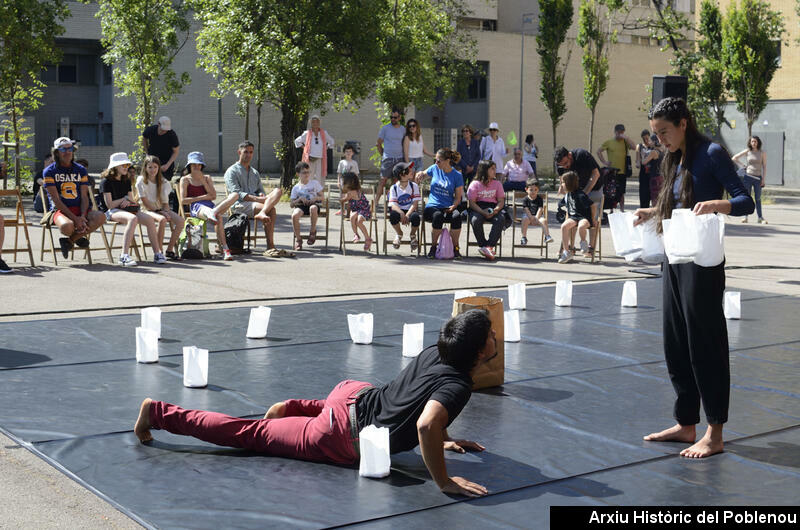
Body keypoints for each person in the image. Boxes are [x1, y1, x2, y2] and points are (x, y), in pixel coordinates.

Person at [134, 309, 496, 498]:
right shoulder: (460, 383)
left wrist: (443, 439)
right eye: (491, 335)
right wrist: (444, 481)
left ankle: (293, 408)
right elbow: (424, 423)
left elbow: (425, 403)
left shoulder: (438, 348)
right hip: (340, 435)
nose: (496, 337)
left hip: (351, 393)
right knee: (247, 433)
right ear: (479, 351)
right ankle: (159, 413)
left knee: (335, 407)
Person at [634, 97, 754, 459]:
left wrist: (719, 205)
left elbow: (744, 200)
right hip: (674, 256)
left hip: (702, 262)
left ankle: (714, 431)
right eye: (656, 135)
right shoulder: (674, 157)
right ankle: (686, 423)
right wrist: (651, 211)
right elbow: (676, 204)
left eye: (664, 132)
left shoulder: (712, 153)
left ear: (683, 123)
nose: (660, 141)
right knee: (676, 341)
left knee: (705, 343)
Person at [42, 137, 105, 259]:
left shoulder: (80, 169)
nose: (67, 152)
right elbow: (56, 200)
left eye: (70, 148)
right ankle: (77, 238)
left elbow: (84, 197)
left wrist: (81, 216)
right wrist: (76, 220)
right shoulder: (49, 172)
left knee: (100, 216)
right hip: (60, 210)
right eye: (63, 149)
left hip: (80, 208)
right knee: (67, 227)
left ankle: (70, 240)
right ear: (56, 152)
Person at [99, 153, 165, 266]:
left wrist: (127, 200)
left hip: (127, 209)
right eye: (123, 165)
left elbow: (131, 200)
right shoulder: (106, 182)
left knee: (149, 219)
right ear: (115, 167)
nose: (126, 167)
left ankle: (157, 253)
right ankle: (124, 256)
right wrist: (122, 200)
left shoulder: (126, 180)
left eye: (127, 165)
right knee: (133, 218)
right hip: (112, 212)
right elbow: (110, 205)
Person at [224, 141, 286, 257]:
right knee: (271, 210)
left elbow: (260, 190)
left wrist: (262, 195)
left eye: (251, 152)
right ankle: (270, 245)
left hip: (256, 203)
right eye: (245, 152)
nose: (248, 155)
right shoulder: (231, 171)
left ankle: (262, 212)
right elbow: (236, 194)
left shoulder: (254, 172)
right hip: (239, 205)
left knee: (278, 191)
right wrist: (257, 199)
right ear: (239, 152)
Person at [180, 151, 238, 261]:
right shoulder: (185, 179)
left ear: (202, 166)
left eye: (199, 164)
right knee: (218, 216)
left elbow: (213, 196)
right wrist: (203, 197)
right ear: (189, 166)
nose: (197, 167)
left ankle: (213, 213)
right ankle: (225, 249)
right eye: (194, 165)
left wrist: (203, 181)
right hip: (197, 207)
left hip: (212, 207)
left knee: (235, 195)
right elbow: (183, 200)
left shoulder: (206, 177)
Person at [415, 148, 465, 260]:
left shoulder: (457, 175)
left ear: (447, 160)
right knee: (437, 216)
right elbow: (422, 174)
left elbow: (458, 197)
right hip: (432, 207)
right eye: (435, 160)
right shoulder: (434, 169)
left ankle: (455, 248)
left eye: (438, 161)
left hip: (447, 207)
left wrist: (454, 206)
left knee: (457, 216)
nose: (436, 163)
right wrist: (419, 173)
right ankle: (433, 248)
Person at [136, 155, 185, 260]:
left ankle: (169, 250)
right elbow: (144, 202)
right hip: (146, 209)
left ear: (158, 168)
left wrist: (166, 211)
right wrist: (161, 213)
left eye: (155, 167)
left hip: (160, 209)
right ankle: (159, 252)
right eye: (150, 167)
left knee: (181, 221)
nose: (152, 170)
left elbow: (165, 202)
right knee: (162, 220)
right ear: (145, 168)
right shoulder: (141, 180)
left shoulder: (162, 181)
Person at [554, 145, 603, 250]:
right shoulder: (560, 163)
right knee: (573, 216)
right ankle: (570, 246)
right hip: (576, 190)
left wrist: (585, 193)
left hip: (593, 187)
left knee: (591, 217)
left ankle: (590, 247)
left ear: (569, 155)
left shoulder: (582, 155)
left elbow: (596, 174)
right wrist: (562, 188)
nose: (565, 167)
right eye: (562, 165)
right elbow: (562, 177)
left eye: (566, 163)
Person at [467, 160, 505, 261]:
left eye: (495, 168)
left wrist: (496, 210)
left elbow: (501, 201)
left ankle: (489, 247)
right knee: (476, 220)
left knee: (500, 219)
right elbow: (472, 203)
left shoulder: (497, 184)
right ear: (484, 170)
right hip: (478, 208)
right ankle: (484, 246)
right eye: (492, 169)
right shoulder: (475, 184)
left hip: (493, 207)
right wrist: (482, 212)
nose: (495, 171)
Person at [558, 171, 595, 263]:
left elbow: (593, 206)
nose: (561, 185)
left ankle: (583, 242)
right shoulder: (567, 195)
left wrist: (593, 219)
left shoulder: (580, 195)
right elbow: (566, 207)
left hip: (584, 217)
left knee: (581, 226)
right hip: (573, 217)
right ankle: (567, 252)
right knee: (564, 226)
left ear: (569, 183)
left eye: (562, 182)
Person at [732, 136, 767, 224]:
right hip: (748, 177)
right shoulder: (747, 151)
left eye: (755, 141)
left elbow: (764, 166)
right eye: (752, 141)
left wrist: (763, 179)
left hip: (758, 178)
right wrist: (743, 165)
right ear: (750, 143)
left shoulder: (762, 153)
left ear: (758, 142)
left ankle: (760, 217)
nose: (754, 143)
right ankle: (745, 217)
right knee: (747, 197)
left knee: (758, 198)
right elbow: (734, 158)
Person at [387, 162, 421, 251]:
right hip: (398, 210)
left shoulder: (414, 186)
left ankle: (413, 235)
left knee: (416, 217)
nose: (412, 171)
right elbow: (393, 205)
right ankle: (399, 234)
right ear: (401, 174)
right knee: (393, 216)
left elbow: (415, 204)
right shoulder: (394, 188)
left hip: (410, 210)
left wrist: (407, 215)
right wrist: (401, 213)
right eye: (409, 170)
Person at [289, 161, 324, 251]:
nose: (307, 174)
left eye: (308, 172)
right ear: (298, 174)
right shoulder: (296, 187)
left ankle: (312, 232)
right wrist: (299, 199)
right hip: (301, 206)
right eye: (304, 172)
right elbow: (291, 204)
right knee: (294, 215)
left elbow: (322, 197)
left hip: (313, 204)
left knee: (313, 208)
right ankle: (298, 240)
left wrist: (315, 198)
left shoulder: (314, 183)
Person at [294, 115, 335, 187]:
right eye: (313, 122)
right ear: (311, 123)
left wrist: (326, 148)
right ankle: (307, 192)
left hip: (320, 159)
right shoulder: (307, 133)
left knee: (319, 177)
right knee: (309, 176)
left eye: (317, 122)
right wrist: (305, 149)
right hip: (309, 159)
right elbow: (297, 141)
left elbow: (332, 142)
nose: (315, 124)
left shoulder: (323, 133)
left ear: (319, 123)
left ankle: (318, 194)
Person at [376, 108, 406, 201]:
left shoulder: (403, 129)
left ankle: (392, 201)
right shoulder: (385, 128)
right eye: (391, 117)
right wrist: (383, 154)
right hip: (387, 158)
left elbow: (405, 144)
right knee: (383, 180)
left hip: (399, 159)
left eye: (395, 117)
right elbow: (379, 143)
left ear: (399, 118)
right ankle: (375, 202)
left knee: (396, 182)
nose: (393, 119)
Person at [340, 172, 373, 252]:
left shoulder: (351, 193)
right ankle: (356, 234)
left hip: (364, 210)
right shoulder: (355, 190)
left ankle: (367, 238)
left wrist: (340, 200)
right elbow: (349, 205)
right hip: (357, 210)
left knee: (359, 221)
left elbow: (344, 201)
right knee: (352, 216)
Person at [142, 116, 180, 182]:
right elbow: (144, 138)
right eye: (163, 129)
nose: (164, 131)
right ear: (158, 124)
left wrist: (167, 165)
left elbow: (176, 151)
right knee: (150, 181)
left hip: (166, 162)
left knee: (165, 184)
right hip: (153, 160)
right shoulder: (150, 130)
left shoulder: (172, 135)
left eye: (166, 130)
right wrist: (147, 153)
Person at [519, 179, 553, 246]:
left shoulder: (539, 199)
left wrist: (536, 218)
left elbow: (540, 209)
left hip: (538, 216)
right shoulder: (525, 199)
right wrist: (531, 218)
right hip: (528, 216)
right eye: (531, 190)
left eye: (535, 190)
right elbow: (526, 209)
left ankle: (547, 236)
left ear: (538, 190)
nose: (533, 192)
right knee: (525, 219)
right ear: (526, 189)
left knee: (544, 220)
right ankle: (524, 237)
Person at [635, 130, 660, 209]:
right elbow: (638, 160)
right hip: (643, 173)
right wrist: (637, 163)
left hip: (653, 172)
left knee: (654, 195)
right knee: (643, 195)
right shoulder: (639, 146)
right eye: (644, 139)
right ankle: (643, 210)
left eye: (647, 138)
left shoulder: (654, 147)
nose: (646, 140)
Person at [336, 143, 360, 217]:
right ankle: (342, 209)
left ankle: (349, 210)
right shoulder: (342, 162)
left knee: (350, 196)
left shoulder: (354, 163)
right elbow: (339, 173)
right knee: (342, 195)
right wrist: (338, 181)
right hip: (343, 182)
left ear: (352, 153)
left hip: (352, 183)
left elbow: (356, 174)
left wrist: (357, 183)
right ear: (344, 153)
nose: (348, 153)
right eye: (347, 151)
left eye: (350, 151)